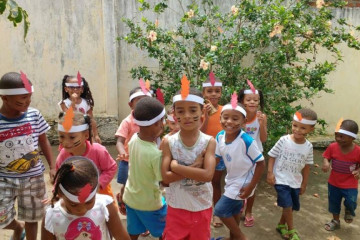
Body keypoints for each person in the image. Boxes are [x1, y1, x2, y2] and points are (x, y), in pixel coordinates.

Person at [0, 72, 55, 240]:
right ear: (4, 98)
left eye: (29, 97)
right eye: (21, 99)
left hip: (34, 178)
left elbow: (44, 141)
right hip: (4, 177)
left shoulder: (34, 115)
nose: (27, 102)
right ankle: (17, 227)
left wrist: (52, 166)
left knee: (33, 216)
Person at [161, 83, 216, 240]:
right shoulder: (168, 142)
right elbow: (165, 178)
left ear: (201, 112)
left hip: (201, 207)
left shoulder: (208, 142)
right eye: (180, 111)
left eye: (193, 110)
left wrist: (176, 167)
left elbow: (207, 175)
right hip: (176, 207)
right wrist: (194, 167)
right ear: (174, 113)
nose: (186, 115)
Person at [41, 156, 130, 240]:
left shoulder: (105, 206)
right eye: (73, 204)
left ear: (96, 191)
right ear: (60, 193)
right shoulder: (51, 216)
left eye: (88, 202)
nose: (81, 210)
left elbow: (121, 237)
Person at [214, 98, 265, 240]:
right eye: (226, 117)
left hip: (244, 182)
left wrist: (250, 187)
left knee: (220, 210)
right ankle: (233, 238)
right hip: (231, 179)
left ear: (244, 122)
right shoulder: (220, 136)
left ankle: (241, 237)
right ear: (220, 118)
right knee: (235, 212)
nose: (229, 122)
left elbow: (261, 163)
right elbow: (216, 158)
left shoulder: (246, 140)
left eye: (235, 119)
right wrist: (201, 170)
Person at [267, 108, 317, 240]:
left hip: (295, 181)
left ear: (311, 129)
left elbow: (306, 167)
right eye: (295, 125)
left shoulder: (309, 147)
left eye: (302, 128)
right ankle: (292, 230)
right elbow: (272, 156)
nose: (297, 130)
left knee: (291, 206)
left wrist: (304, 184)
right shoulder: (284, 140)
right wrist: (270, 173)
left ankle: (281, 225)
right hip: (281, 179)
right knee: (287, 205)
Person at [122, 97, 167, 239]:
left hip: (131, 197)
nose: (164, 124)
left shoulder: (134, 139)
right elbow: (164, 180)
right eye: (163, 120)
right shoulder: (155, 154)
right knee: (165, 232)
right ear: (156, 124)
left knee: (133, 231)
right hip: (150, 204)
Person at [56, 110, 117, 202]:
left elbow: (111, 168)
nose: (66, 142)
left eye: (72, 137)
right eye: (61, 136)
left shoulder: (98, 151)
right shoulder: (63, 155)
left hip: (100, 195)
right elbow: (59, 176)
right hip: (75, 198)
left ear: (86, 135)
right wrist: (56, 193)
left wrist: (98, 184)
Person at [115, 86, 151, 216]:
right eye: (139, 101)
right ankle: (122, 198)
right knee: (127, 186)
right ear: (131, 105)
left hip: (145, 162)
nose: (143, 105)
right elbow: (119, 141)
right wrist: (122, 152)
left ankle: (140, 215)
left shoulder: (152, 121)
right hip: (128, 162)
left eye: (146, 101)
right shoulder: (127, 122)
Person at [238, 81, 267, 227]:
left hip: (256, 156)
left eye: (256, 100)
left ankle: (249, 211)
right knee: (239, 182)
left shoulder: (261, 117)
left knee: (252, 185)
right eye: (248, 100)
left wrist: (261, 124)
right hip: (241, 155)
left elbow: (263, 139)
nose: (252, 102)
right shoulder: (238, 116)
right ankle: (239, 206)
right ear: (242, 101)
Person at [322, 119, 360, 231]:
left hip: (350, 184)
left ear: (352, 138)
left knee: (351, 201)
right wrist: (326, 163)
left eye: (342, 136)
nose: (338, 139)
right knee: (334, 203)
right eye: (337, 135)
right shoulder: (332, 147)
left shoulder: (358, 151)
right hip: (333, 183)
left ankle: (349, 209)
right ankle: (335, 221)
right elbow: (326, 157)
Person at [200, 72, 224, 228]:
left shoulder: (225, 110)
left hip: (220, 154)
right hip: (202, 153)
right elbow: (198, 132)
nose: (213, 94)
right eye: (209, 91)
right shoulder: (198, 110)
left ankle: (217, 213)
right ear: (204, 93)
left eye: (217, 91)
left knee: (215, 183)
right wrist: (205, 115)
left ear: (221, 93)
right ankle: (201, 213)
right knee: (201, 184)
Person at [58, 74, 101, 143]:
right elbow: (68, 117)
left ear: (82, 89)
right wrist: (73, 102)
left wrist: (95, 135)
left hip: (85, 133)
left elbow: (91, 119)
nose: (75, 89)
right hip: (71, 134)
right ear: (66, 89)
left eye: (78, 87)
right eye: (72, 87)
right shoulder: (64, 103)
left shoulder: (86, 102)